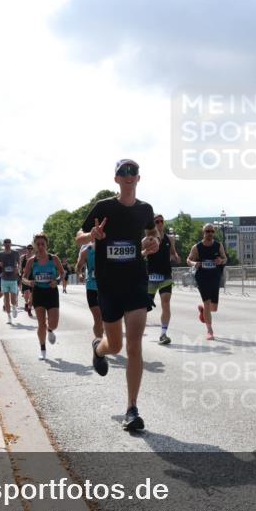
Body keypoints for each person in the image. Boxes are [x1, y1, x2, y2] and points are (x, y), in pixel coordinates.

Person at [75, 158, 160, 432]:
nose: (128, 175)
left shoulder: (145, 209)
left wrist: (154, 241)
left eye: (133, 171)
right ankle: (98, 349)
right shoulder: (104, 207)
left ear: (138, 177)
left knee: (134, 346)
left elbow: (153, 232)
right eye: (123, 172)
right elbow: (79, 236)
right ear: (116, 179)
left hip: (136, 282)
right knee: (115, 346)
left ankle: (132, 409)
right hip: (109, 284)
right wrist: (92, 235)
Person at [22, 233, 65, 359]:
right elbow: (23, 278)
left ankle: (50, 330)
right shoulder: (32, 261)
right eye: (38, 244)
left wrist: (57, 280)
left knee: (54, 324)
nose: (40, 246)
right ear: (35, 245)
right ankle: (43, 349)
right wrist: (29, 282)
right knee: (41, 323)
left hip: (52, 292)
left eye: (43, 244)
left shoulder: (54, 259)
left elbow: (62, 273)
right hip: (38, 293)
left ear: (46, 245)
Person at [187, 224, 227, 340]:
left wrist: (221, 261)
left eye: (212, 231)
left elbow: (225, 258)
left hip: (215, 277)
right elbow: (188, 260)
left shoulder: (218, 245)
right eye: (207, 231)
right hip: (202, 278)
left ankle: (204, 311)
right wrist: (194, 263)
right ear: (203, 232)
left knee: (213, 308)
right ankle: (210, 331)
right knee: (207, 303)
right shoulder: (197, 247)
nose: (210, 233)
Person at [145, 214, 181, 345]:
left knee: (166, 302)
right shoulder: (148, 239)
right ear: (153, 224)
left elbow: (173, 252)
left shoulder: (169, 238)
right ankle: (134, 328)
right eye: (157, 221)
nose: (160, 223)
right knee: (144, 307)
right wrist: (145, 252)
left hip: (165, 275)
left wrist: (176, 256)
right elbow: (139, 254)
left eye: (161, 221)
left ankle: (163, 334)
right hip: (150, 276)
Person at [76, 240, 103, 340]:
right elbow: (78, 266)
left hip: (106, 289)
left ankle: (100, 337)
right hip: (92, 287)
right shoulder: (87, 250)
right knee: (98, 317)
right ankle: (98, 342)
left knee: (103, 320)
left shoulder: (110, 248)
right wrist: (80, 274)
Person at [0, 238, 22, 324]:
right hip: (4, 279)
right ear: (4, 244)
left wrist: (18, 269)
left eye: (9, 243)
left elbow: (19, 263)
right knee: (6, 299)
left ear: (11, 244)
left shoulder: (15, 253)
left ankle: (14, 307)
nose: (7, 244)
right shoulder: (0, 254)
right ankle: (9, 317)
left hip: (13, 279)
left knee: (13, 299)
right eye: (6, 243)